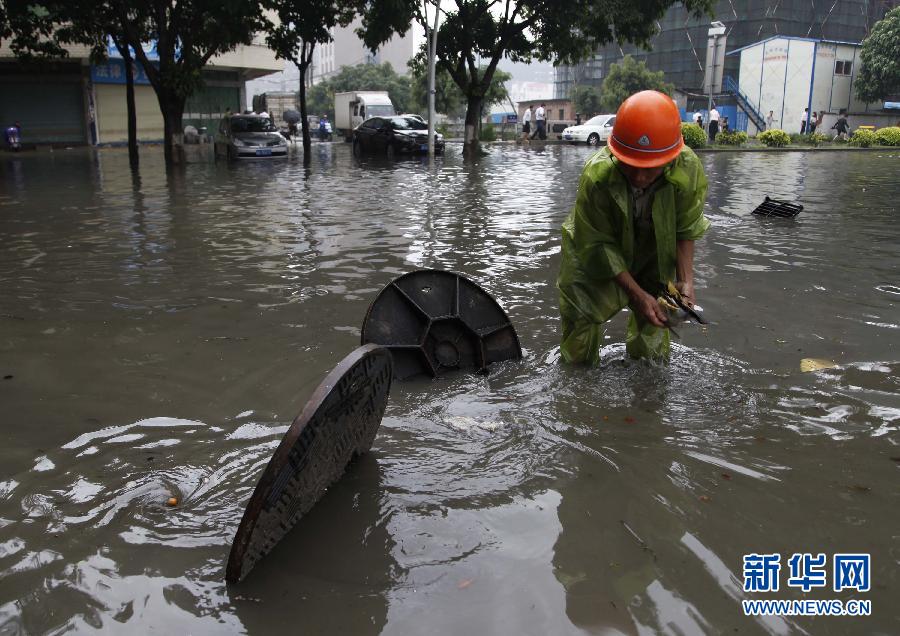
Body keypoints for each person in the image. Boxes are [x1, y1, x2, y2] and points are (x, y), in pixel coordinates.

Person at [558, 90, 710, 364]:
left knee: (654, 324)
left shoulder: (687, 168)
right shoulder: (597, 177)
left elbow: (686, 228)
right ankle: (577, 390)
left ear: (671, 158)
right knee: (580, 321)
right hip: (594, 251)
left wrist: (686, 281)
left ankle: (646, 392)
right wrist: (636, 294)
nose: (640, 176)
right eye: (631, 165)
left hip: (654, 250)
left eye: (650, 168)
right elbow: (598, 245)